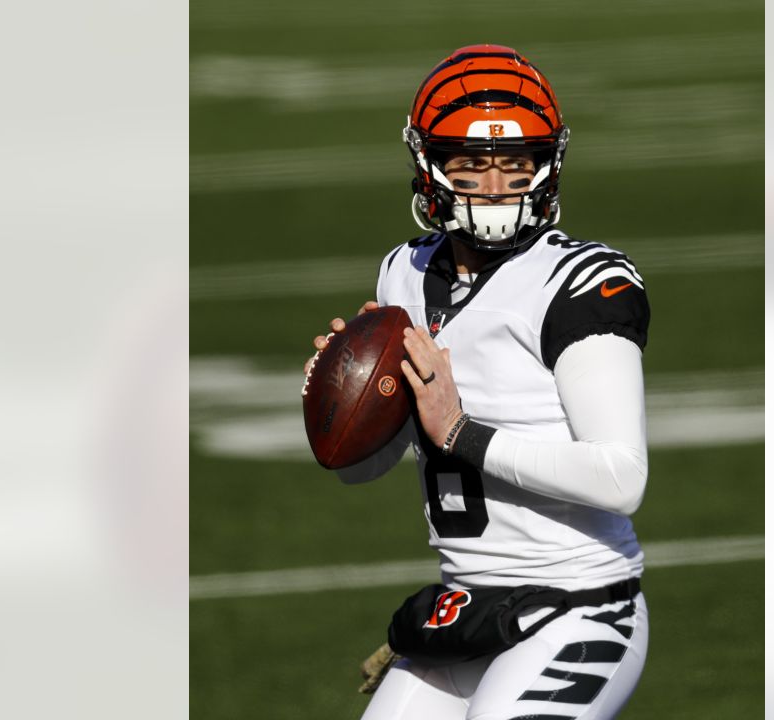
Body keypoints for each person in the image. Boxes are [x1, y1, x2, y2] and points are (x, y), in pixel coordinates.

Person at [303, 44, 651, 720]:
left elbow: (621, 477)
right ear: (429, 166)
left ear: (547, 166)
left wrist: (461, 432)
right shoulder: (403, 271)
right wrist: (335, 406)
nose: (494, 187)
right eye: (470, 163)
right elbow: (360, 470)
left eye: (515, 165)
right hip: (465, 608)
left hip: (577, 609)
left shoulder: (579, 282)